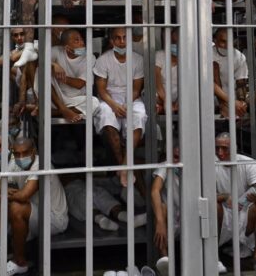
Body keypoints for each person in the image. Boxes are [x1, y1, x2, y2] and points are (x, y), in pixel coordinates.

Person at [0, 136, 68, 276]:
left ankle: (20, 262)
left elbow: (23, 195)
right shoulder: (15, 162)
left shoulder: (41, 164)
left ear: (33, 151)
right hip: (34, 212)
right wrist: (6, 191)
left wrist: (5, 193)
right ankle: (7, 249)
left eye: (25, 153)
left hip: (54, 219)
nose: (21, 157)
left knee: (17, 207)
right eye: (17, 154)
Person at [94, 27, 146, 187]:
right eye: (117, 38)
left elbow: (136, 89)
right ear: (111, 41)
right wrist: (114, 105)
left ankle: (124, 166)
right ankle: (122, 165)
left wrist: (126, 104)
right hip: (109, 98)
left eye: (125, 37)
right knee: (105, 114)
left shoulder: (138, 59)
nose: (122, 41)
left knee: (139, 114)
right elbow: (101, 90)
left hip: (131, 98)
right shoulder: (103, 60)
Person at [214, 133, 256, 272]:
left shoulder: (247, 162)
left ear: (234, 148)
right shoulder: (210, 164)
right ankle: (214, 259)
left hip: (244, 211)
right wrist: (225, 197)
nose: (220, 152)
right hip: (223, 213)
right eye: (217, 148)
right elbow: (203, 196)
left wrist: (253, 197)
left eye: (225, 148)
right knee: (213, 206)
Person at [49, 28, 99, 122]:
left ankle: (59, 111)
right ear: (67, 48)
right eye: (77, 40)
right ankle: (63, 109)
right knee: (42, 70)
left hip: (76, 99)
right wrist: (53, 65)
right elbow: (39, 61)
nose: (82, 43)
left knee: (94, 103)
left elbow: (79, 84)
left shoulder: (90, 57)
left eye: (81, 40)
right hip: (56, 97)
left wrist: (58, 76)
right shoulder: (56, 50)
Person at [152, 146, 181, 276]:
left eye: (179, 157)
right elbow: (155, 191)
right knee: (161, 209)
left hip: (188, 215)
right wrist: (160, 222)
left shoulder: (195, 166)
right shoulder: (166, 165)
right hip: (171, 214)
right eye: (174, 156)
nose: (176, 161)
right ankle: (165, 261)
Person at [213, 30, 249, 119]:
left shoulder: (239, 57)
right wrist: (229, 103)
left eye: (230, 41)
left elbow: (241, 83)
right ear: (215, 40)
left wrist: (241, 103)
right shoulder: (206, 54)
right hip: (211, 97)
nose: (227, 46)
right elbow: (210, 83)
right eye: (223, 41)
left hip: (232, 96)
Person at [154, 30, 179, 115]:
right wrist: (166, 101)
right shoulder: (159, 55)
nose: (175, 45)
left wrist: (180, 102)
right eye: (173, 42)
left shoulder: (187, 58)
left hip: (180, 95)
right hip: (160, 95)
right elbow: (158, 85)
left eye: (177, 42)